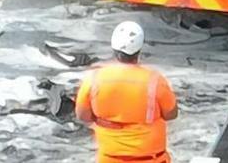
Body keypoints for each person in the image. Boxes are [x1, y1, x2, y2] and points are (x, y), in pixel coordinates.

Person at [75, 20, 179, 163]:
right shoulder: (155, 80)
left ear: (114, 48)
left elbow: (83, 115)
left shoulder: (93, 79)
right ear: (139, 50)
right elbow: (171, 114)